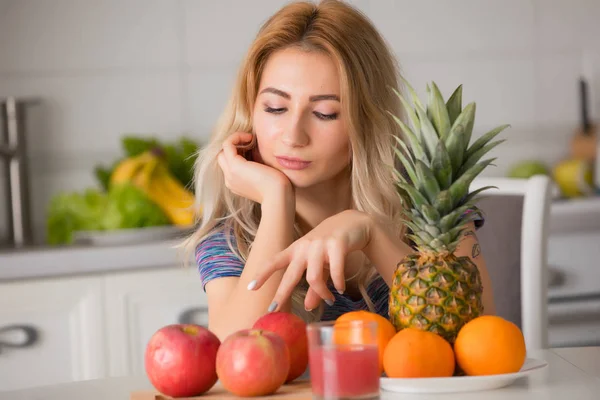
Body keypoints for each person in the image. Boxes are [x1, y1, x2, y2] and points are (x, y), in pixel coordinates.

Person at [182, 0, 495, 341]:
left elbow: (479, 344)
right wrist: (276, 201)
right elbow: (237, 361)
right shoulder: (233, 237)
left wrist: (373, 235)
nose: (293, 136)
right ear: (251, 110)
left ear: (367, 121)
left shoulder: (435, 208)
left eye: (326, 113)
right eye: (275, 107)